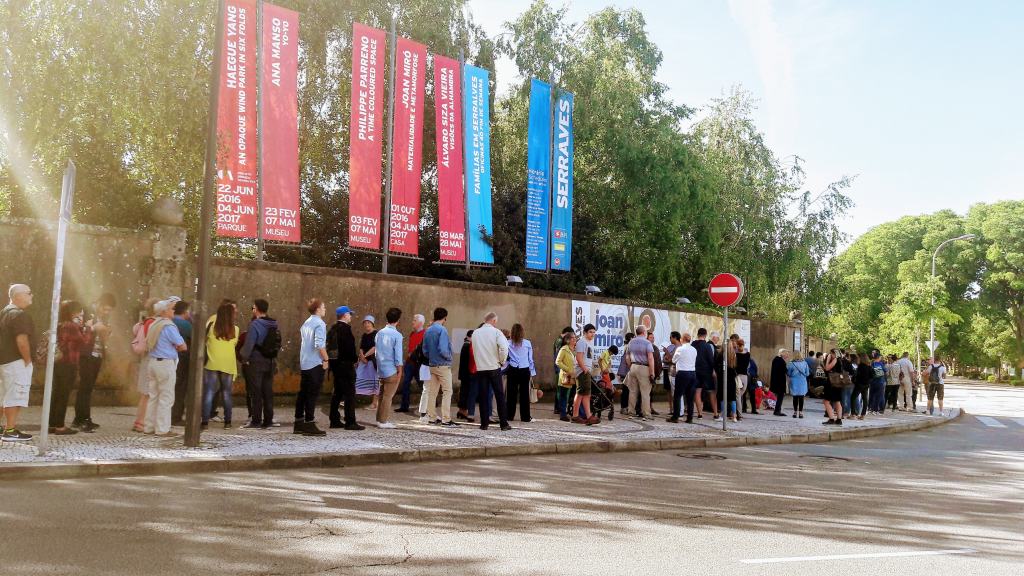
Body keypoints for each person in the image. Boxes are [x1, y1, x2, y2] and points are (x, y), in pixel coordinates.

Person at [72, 292, 115, 431]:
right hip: (86, 354)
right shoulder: (85, 312)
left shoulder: (104, 317)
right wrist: (92, 328)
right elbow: (75, 331)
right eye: (105, 308)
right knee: (85, 387)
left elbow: (103, 338)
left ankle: (84, 418)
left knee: (88, 387)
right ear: (99, 303)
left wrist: (107, 332)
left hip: (97, 354)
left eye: (109, 310)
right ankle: (81, 419)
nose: (106, 312)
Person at [144, 299, 186, 436]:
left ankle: (149, 427)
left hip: (153, 362)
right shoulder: (168, 326)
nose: (173, 311)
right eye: (171, 309)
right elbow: (182, 346)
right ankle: (162, 429)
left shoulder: (153, 324)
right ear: (164, 311)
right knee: (166, 398)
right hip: (165, 363)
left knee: (153, 396)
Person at [240, 299, 283, 430]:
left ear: (257, 309)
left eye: (253, 307)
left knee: (256, 392)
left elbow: (249, 344)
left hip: (256, 361)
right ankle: (268, 420)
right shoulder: (273, 324)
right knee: (267, 392)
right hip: (269, 361)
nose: (252, 310)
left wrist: (244, 358)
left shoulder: (255, 324)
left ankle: (256, 420)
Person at [49, 300, 87, 435]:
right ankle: (60, 426)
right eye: (79, 312)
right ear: (73, 312)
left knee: (55, 393)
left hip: (58, 362)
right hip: (68, 363)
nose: (81, 315)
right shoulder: (71, 326)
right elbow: (83, 343)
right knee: (63, 395)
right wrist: (86, 328)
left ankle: (52, 424)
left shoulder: (59, 324)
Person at [202, 302, 239, 429]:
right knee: (227, 393)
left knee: (209, 392)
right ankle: (228, 422)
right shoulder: (236, 329)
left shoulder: (212, 327)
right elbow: (234, 344)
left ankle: (204, 422)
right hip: (228, 364)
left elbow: (205, 341)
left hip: (212, 363)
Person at [471, 312, 510, 431]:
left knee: (483, 396)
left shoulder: (475, 333)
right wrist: (502, 361)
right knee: (499, 395)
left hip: (481, 368)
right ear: (493, 321)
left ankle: (484, 424)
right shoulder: (496, 332)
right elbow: (504, 347)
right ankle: (503, 424)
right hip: (493, 367)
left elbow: (475, 350)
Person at [325, 306, 362, 430]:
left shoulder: (333, 329)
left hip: (335, 366)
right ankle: (350, 421)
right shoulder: (345, 329)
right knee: (350, 394)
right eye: (350, 314)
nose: (351, 316)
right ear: (345, 315)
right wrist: (355, 359)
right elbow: (349, 349)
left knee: (337, 393)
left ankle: (334, 420)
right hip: (346, 366)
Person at [296, 298, 328, 436]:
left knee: (303, 393)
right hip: (315, 363)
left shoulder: (306, 322)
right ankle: (309, 422)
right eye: (323, 307)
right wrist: (326, 359)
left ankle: (298, 422)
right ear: (318, 309)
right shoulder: (320, 324)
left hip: (305, 362)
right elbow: (319, 344)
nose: (325, 309)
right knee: (312, 394)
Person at [131, 298, 159, 433]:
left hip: (144, 359)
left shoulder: (143, 323)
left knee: (145, 393)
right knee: (148, 393)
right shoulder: (153, 324)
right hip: (150, 358)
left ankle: (140, 421)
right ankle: (142, 422)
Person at [374, 308, 404, 428]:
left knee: (382, 396)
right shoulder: (397, 335)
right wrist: (400, 370)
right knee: (388, 397)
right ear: (398, 320)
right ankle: (383, 421)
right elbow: (398, 355)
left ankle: (379, 419)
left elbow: (376, 351)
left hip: (381, 369)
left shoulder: (379, 333)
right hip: (391, 369)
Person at [505, 323, 535, 423]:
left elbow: (505, 358)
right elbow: (530, 359)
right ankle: (525, 417)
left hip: (513, 369)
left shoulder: (507, 343)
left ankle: (509, 415)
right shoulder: (527, 343)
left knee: (511, 394)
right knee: (524, 394)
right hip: (524, 369)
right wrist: (532, 372)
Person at [624, 326, 656, 420]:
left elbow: (627, 357)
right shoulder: (647, 343)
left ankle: (631, 412)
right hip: (644, 367)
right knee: (645, 392)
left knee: (632, 391)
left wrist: (631, 366)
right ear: (643, 332)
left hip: (633, 367)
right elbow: (650, 358)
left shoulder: (631, 342)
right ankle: (646, 413)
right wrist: (652, 372)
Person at [170, 300, 193, 426]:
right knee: (180, 388)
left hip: (169, 358)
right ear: (185, 311)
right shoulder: (186, 325)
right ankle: (176, 416)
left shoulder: (169, 322)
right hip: (183, 359)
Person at [570, 324, 598, 425]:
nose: (592, 334)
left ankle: (588, 416)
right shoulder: (582, 342)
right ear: (585, 332)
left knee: (586, 394)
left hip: (586, 371)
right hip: (582, 371)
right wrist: (584, 369)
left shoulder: (589, 342)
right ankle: (575, 416)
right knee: (581, 393)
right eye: (590, 332)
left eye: (594, 332)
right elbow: (579, 357)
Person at [398, 314, 426, 414]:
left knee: (422, 385)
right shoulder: (412, 334)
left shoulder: (425, 334)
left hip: (418, 364)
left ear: (420, 323)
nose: (412, 322)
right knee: (405, 384)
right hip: (409, 363)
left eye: (414, 320)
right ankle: (404, 406)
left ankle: (429, 403)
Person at [669, 332, 698, 423]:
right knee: (690, 397)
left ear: (682, 339)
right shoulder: (694, 349)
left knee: (677, 395)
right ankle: (690, 418)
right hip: (692, 373)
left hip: (682, 373)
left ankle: (675, 417)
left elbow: (674, 360)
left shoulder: (680, 349)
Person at [692, 328, 716, 419]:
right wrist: (713, 370)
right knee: (711, 392)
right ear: (705, 335)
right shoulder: (707, 346)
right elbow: (711, 359)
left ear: (698, 334)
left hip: (696, 371)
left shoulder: (693, 344)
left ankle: (700, 414)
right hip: (707, 372)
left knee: (697, 392)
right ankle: (715, 414)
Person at [555, 333, 577, 422]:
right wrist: (567, 369)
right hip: (566, 376)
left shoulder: (576, 350)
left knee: (573, 395)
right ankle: (563, 414)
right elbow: (558, 361)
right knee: (564, 395)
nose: (575, 339)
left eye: (575, 338)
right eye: (573, 338)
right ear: (568, 340)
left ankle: (572, 412)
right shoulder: (564, 349)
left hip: (575, 376)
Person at [456, 330, 477, 422]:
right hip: (467, 373)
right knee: (466, 392)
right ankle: (463, 411)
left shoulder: (465, 344)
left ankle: (461, 411)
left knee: (464, 392)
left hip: (464, 373)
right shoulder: (468, 345)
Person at [821, 349, 844, 426]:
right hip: (837, 383)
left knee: (826, 401)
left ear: (834, 354)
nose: (829, 355)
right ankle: (839, 419)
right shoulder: (840, 360)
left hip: (831, 384)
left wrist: (827, 360)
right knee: (837, 401)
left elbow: (827, 368)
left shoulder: (835, 360)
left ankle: (831, 419)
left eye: (830, 353)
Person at [787, 351, 809, 418]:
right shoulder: (805, 363)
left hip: (794, 381)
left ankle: (795, 412)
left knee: (795, 397)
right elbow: (807, 373)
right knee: (801, 397)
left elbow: (789, 373)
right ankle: (801, 413)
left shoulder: (791, 364)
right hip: (802, 381)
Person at [647, 331, 663, 416]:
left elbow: (658, 361)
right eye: (651, 338)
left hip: (654, 374)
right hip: (646, 372)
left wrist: (658, 373)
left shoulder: (655, 348)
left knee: (651, 392)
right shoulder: (645, 347)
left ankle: (650, 407)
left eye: (653, 338)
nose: (652, 339)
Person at [853, 353, 873, 419]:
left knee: (853, 398)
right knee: (865, 399)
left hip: (859, 384)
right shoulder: (869, 366)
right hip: (866, 384)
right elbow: (872, 375)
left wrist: (854, 381)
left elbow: (857, 376)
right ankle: (863, 415)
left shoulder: (861, 366)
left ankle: (853, 414)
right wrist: (869, 382)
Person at [617, 332, 633, 412]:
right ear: (630, 339)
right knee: (627, 390)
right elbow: (626, 361)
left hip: (625, 372)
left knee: (626, 390)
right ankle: (624, 407)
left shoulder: (626, 346)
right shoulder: (628, 347)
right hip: (627, 372)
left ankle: (624, 407)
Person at [770, 349, 789, 417]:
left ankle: (777, 410)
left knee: (780, 396)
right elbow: (784, 370)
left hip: (777, 381)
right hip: (779, 382)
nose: (787, 355)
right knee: (780, 396)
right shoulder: (780, 360)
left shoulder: (776, 359)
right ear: (782, 353)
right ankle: (777, 411)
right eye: (786, 354)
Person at [736, 339, 751, 413]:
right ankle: (739, 413)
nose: (740, 347)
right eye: (740, 345)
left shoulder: (747, 354)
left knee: (740, 393)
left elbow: (747, 365)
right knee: (739, 394)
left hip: (743, 375)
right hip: (738, 375)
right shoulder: (736, 354)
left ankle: (737, 410)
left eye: (741, 345)